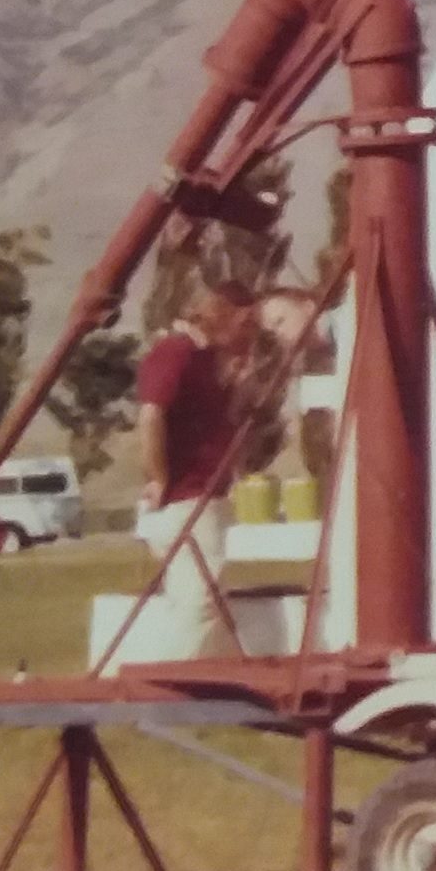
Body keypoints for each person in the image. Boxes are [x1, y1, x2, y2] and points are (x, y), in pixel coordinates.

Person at [133, 277, 255, 656]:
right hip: (188, 495)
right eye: (246, 325)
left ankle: (196, 672)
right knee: (201, 597)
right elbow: (152, 414)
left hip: (206, 491)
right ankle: (175, 678)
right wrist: (159, 476)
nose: (250, 336)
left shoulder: (205, 360)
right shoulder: (177, 351)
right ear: (226, 316)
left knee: (197, 594)